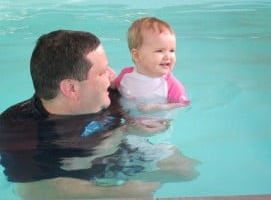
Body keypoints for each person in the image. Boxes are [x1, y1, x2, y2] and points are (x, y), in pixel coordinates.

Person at [0, 30, 198, 200]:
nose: (112, 75)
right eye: (102, 72)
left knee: (185, 170)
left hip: (112, 148)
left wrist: (131, 128)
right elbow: (31, 190)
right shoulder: (17, 128)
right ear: (71, 88)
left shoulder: (111, 93)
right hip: (67, 174)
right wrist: (119, 191)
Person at [112, 17, 190, 115]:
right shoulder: (126, 75)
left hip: (156, 124)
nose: (168, 56)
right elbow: (114, 89)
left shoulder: (171, 84)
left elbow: (183, 104)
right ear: (137, 55)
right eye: (159, 51)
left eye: (172, 50)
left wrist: (159, 107)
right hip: (128, 120)